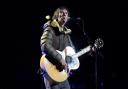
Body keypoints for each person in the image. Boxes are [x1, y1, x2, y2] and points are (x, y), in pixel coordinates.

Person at [39, 6, 75, 89]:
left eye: (66, 13)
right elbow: (44, 45)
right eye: (61, 12)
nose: (64, 15)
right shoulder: (50, 28)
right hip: (50, 71)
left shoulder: (66, 34)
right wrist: (60, 59)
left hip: (62, 73)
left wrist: (89, 50)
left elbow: (72, 53)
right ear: (56, 15)